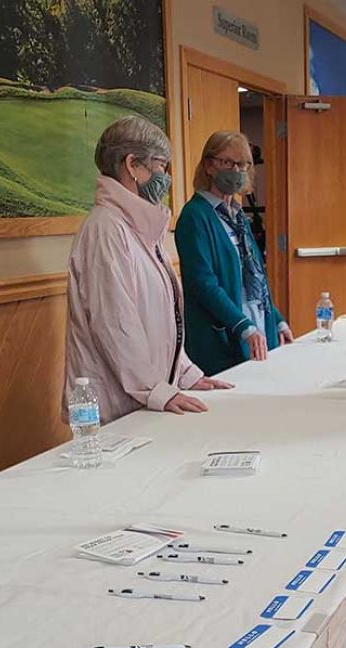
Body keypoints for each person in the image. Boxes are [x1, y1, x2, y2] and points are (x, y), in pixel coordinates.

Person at [66, 116, 232, 422]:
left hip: (147, 398)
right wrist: (156, 390)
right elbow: (115, 324)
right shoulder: (105, 229)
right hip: (116, 409)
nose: (164, 176)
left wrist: (185, 373)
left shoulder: (140, 227)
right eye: (160, 166)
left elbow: (162, 320)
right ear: (132, 164)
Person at [175, 131, 292, 376]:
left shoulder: (237, 215)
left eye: (243, 164)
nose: (237, 170)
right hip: (225, 335)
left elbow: (255, 275)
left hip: (257, 327)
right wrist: (243, 327)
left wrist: (277, 319)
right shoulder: (195, 216)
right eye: (228, 162)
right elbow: (203, 283)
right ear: (209, 165)